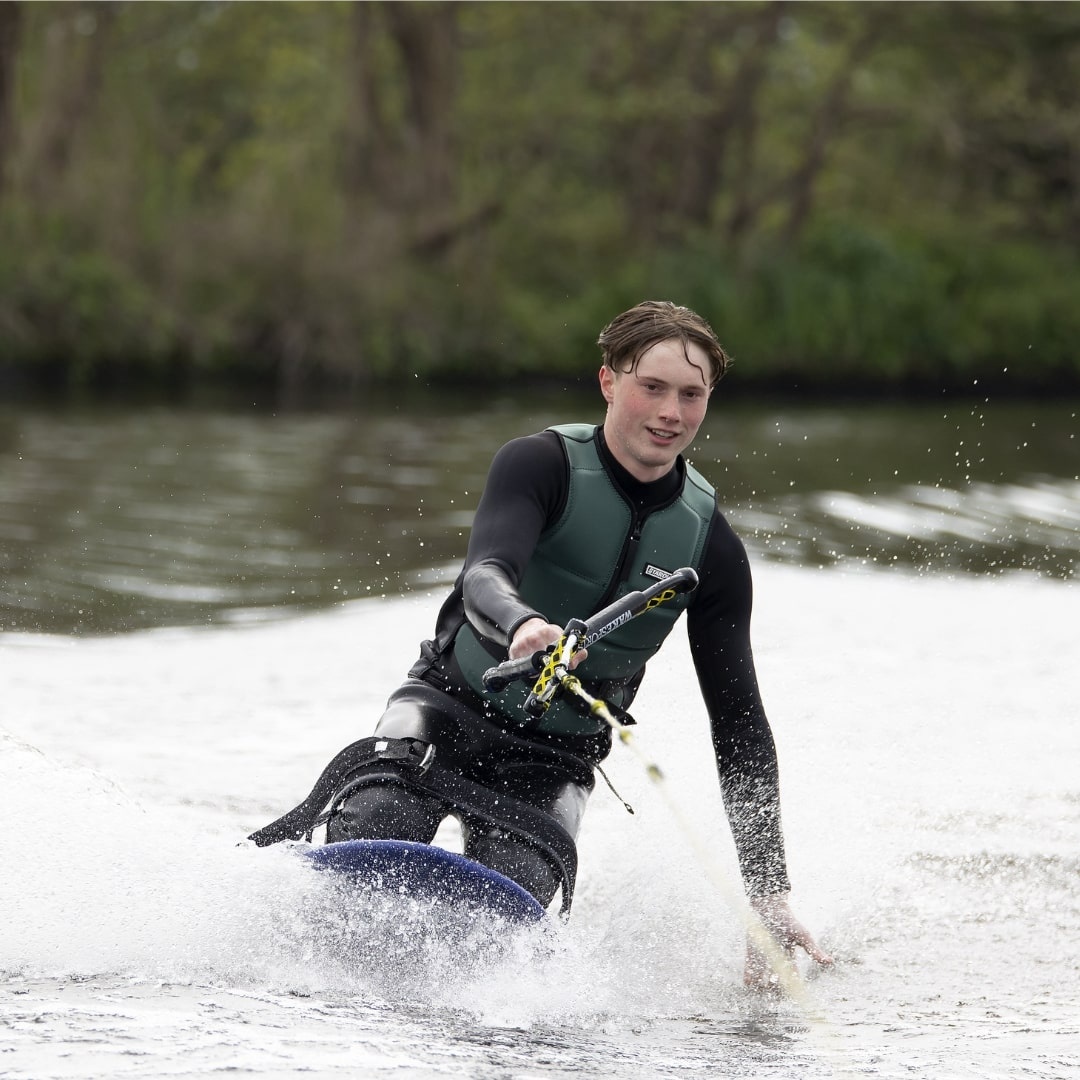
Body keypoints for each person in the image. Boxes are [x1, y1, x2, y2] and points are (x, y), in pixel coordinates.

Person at [251, 300, 832, 990]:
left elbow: (739, 724)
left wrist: (767, 895)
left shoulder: (712, 548)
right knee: (381, 821)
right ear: (609, 382)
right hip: (447, 704)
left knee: (511, 897)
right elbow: (485, 574)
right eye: (653, 386)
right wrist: (525, 626)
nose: (671, 411)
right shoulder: (540, 465)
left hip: (556, 753)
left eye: (691, 393)